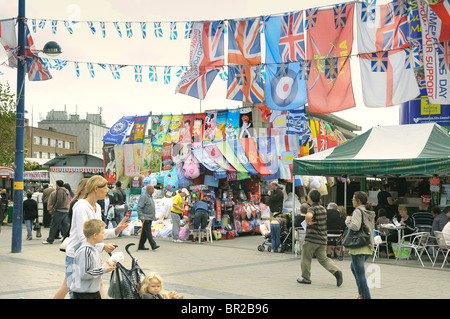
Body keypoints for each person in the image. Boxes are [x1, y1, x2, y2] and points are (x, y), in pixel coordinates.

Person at [65, 175, 129, 299]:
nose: (108, 190)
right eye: (105, 187)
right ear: (95, 188)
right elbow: (85, 236)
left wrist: (116, 230)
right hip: (76, 255)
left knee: (94, 286)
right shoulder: (81, 207)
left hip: (91, 253)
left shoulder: (97, 207)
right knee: (76, 292)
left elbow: (98, 231)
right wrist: (103, 246)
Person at [297, 190, 343, 287]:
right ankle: (337, 272)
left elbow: (309, 215)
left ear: (310, 198)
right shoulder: (323, 208)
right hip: (322, 239)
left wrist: (308, 221)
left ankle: (306, 278)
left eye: (308, 196)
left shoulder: (311, 208)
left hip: (311, 239)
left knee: (306, 258)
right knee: (323, 259)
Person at [53, 178, 89, 299]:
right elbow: (78, 229)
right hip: (75, 250)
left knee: (67, 284)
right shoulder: (78, 204)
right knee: (70, 285)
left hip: (75, 248)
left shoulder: (79, 202)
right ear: (84, 188)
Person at [70, 219, 116, 299]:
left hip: (91, 291)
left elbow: (93, 268)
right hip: (84, 293)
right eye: (102, 232)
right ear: (95, 235)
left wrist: (105, 266)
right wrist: (103, 269)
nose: (104, 234)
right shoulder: (85, 251)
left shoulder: (94, 248)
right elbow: (85, 273)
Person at [345, 191, 375, 299]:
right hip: (367, 245)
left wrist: (348, 221)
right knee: (354, 268)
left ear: (358, 201)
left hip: (359, 246)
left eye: (353, 199)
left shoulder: (358, 211)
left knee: (360, 273)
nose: (352, 201)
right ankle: (361, 294)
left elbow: (355, 226)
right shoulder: (368, 210)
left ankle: (366, 296)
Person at [43, 180, 70, 244]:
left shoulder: (60, 191)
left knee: (54, 225)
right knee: (66, 226)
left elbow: (59, 200)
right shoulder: (65, 191)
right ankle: (70, 238)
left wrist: (54, 207)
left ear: (57, 184)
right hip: (65, 210)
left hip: (59, 210)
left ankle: (50, 239)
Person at [137, 185, 160, 251]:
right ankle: (153, 245)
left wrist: (153, 216)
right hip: (145, 217)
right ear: (149, 189)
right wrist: (141, 216)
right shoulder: (144, 196)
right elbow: (139, 207)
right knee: (148, 231)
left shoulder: (150, 197)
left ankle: (141, 246)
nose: (154, 190)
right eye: (153, 189)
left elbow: (150, 207)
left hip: (150, 217)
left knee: (144, 232)